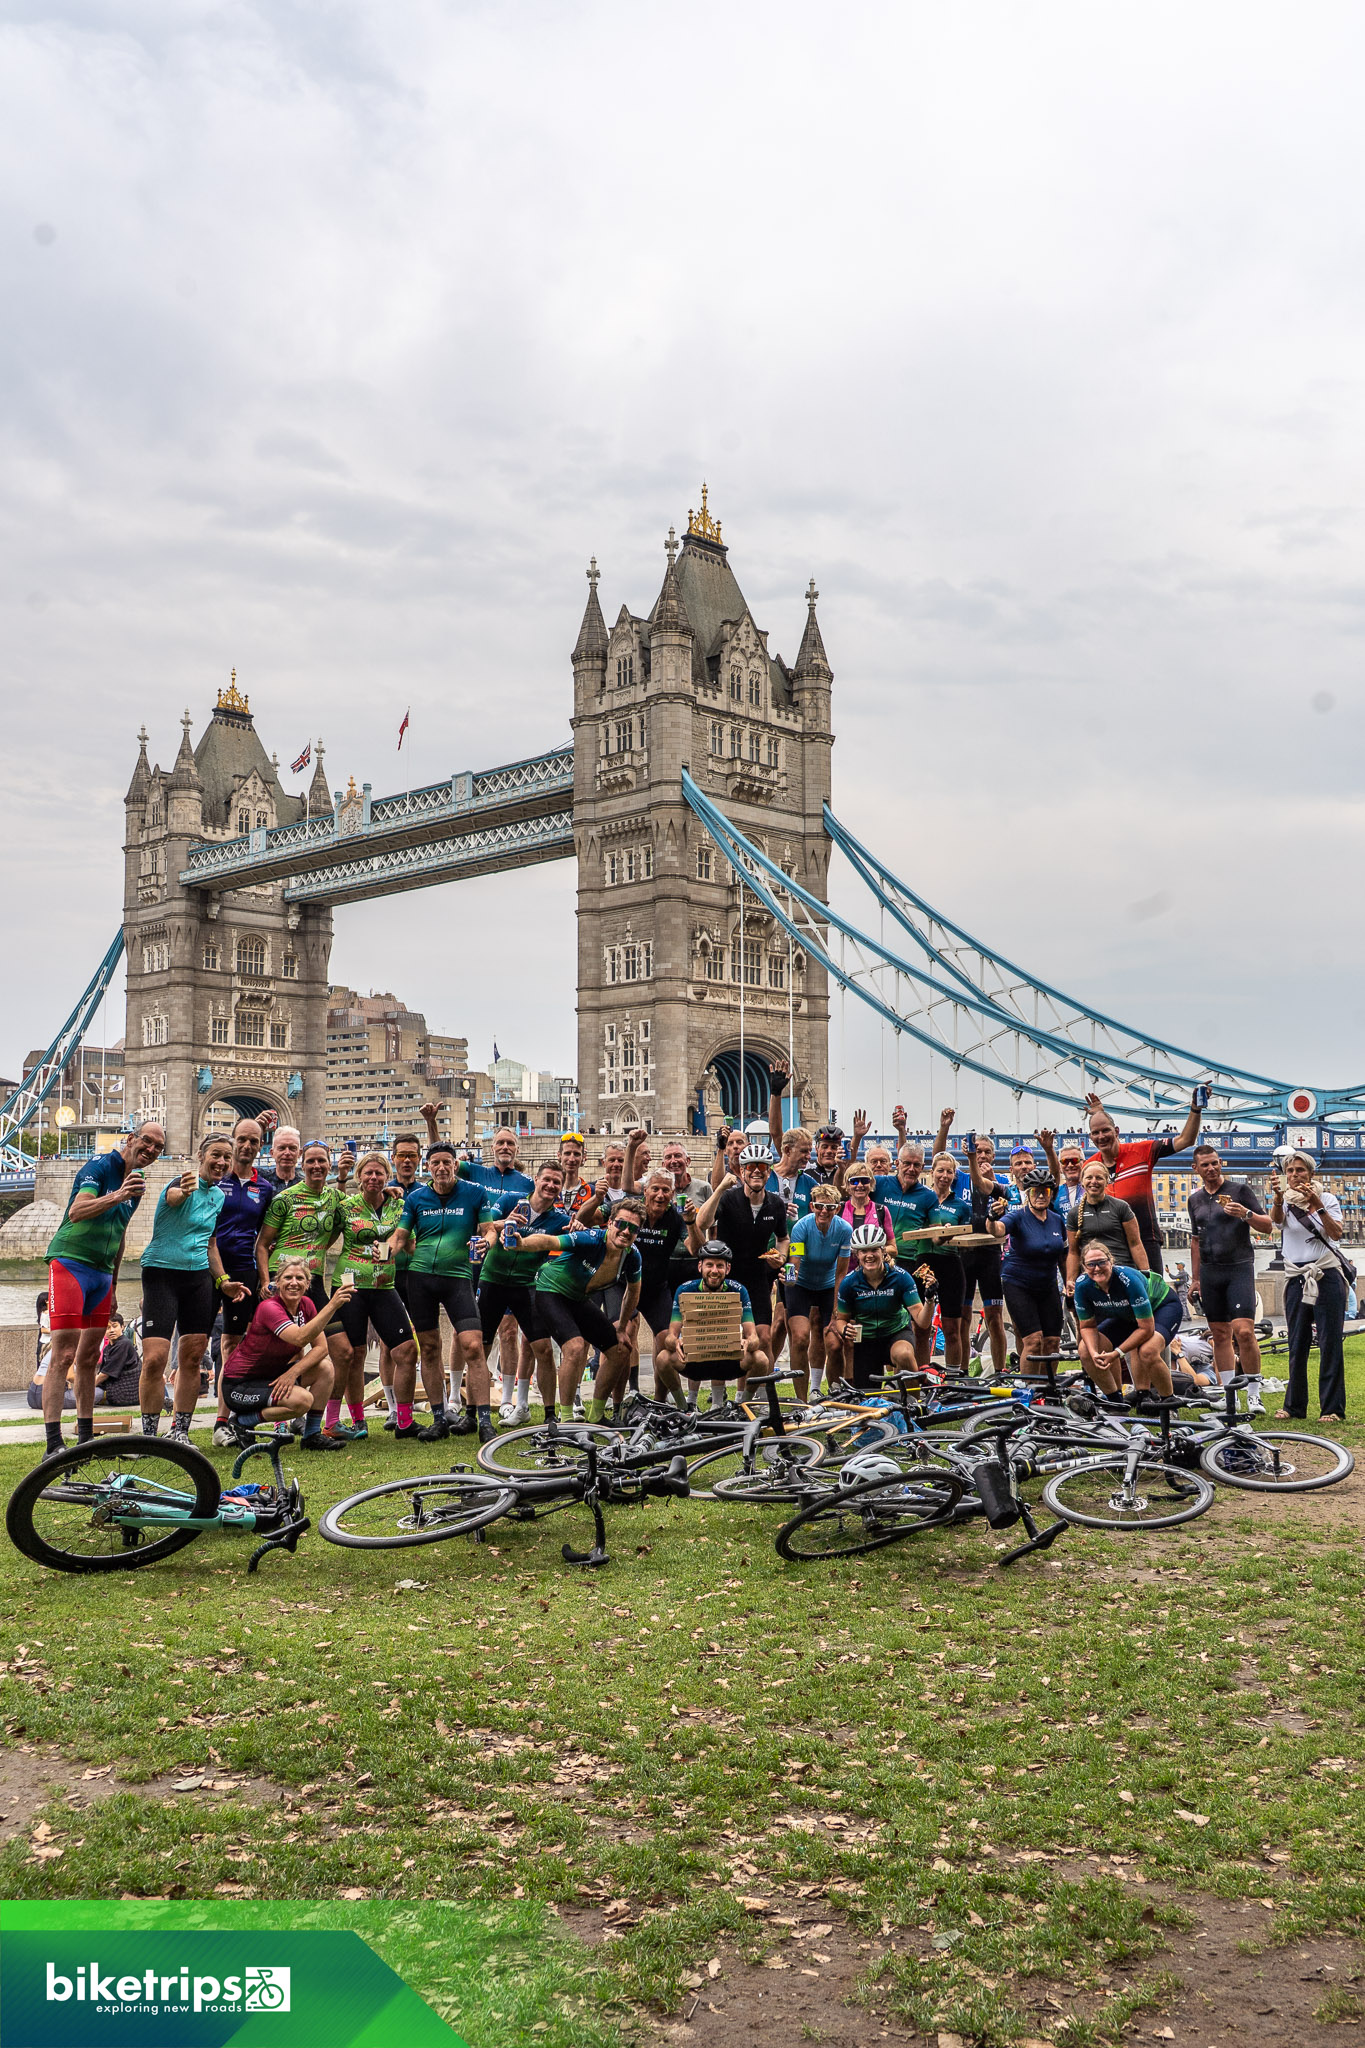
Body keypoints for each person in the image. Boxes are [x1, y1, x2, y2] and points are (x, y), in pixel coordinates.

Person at [42, 1118, 166, 1455]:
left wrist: (112, 1284)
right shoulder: (100, 1165)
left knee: (86, 1359)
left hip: (101, 1274)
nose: (151, 1150)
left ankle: (86, 1438)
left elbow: (122, 1235)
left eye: (159, 1147)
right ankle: (53, 1442)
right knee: (63, 1354)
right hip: (70, 1263)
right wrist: (118, 1194)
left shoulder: (136, 1186)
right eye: (148, 1142)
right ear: (131, 1138)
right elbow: (78, 1211)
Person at [138, 1134, 244, 1440]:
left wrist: (223, 1281)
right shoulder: (181, 1183)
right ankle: (147, 1435)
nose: (221, 1162)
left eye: (227, 1157)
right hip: (161, 1274)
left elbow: (211, 1244)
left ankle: (179, 1432)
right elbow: (173, 1197)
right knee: (156, 1358)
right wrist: (184, 1191)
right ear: (201, 1155)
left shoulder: (219, 1197)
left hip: (198, 1278)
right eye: (215, 1155)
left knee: (193, 1358)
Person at [390, 1142, 493, 1440]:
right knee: (431, 1349)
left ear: (454, 1164)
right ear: (428, 1166)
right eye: (435, 1163)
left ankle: (484, 1419)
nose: (442, 1168)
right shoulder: (417, 1197)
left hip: (458, 1278)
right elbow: (401, 1235)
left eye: (447, 1162)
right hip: (420, 1279)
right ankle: (438, 1418)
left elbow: (488, 1229)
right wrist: (386, 1251)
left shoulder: (475, 1193)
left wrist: (488, 1241)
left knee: (473, 1346)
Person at [519, 1205, 644, 1420]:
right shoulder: (591, 1239)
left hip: (577, 1299)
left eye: (633, 1228)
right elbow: (552, 1241)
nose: (626, 1231)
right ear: (611, 1223)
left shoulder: (632, 1256)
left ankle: (597, 1415)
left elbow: (633, 1292)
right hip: (550, 1291)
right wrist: (521, 1244)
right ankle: (567, 1418)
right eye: (621, 1224)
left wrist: (622, 1328)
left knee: (620, 1350)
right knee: (575, 1347)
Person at [218, 1256, 352, 1449]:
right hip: (240, 1386)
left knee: (326, 1368)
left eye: (299, 1278)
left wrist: (292, 1373)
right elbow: (299, 1338)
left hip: (271, 1379)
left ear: (307, 1284)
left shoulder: (306, 1305)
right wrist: (332, 1305)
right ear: (278, 1282)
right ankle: (242, 1422)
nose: (293, 1283)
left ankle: (312, 1435)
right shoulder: (269, 1307)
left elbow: (322, 1348)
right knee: (302, 1401)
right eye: (288, 1277)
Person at [326, 1152, 415, 1441]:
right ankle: (353, 1421)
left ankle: (404, 1420)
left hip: (384, 1286)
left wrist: (391, 1251)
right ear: (359, 1177)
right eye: (368, 1173)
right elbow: (325, 1238)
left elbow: (408, 1243)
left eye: (379, 1173)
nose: (374, 1178)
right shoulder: (347, 1206)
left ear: (387, 1176)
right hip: (350, 1285)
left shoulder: (398, 1205)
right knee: (353, 1355)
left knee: (405, 1349)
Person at [477, 1162, 571, 1422]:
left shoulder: (559, 1219)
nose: (551, 1186)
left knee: (543, 1348)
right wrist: (503, 1222)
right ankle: (475, 1412)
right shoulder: (510, 1200)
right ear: (537, 1180)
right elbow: (482, 1227)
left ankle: (550, 1413)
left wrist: (579, 1230)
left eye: (557, 1182)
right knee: (481, 1348)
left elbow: (573, 1242)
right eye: (547, 1180)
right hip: (492, 1280)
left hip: (527, 1286)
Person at [1186, 1144, 1275, 1411]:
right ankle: (1229, 1395)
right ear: (1196, 1169)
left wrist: (1245, 1214)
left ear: (1221, 1162)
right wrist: (1195, 1278)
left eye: (1215, 1163)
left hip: (1238, 1267)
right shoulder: (1194, 1200)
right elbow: (1195, 1240)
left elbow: (1268, 1226)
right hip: (1211, 1272)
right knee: (1220, 1333)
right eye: (1205, 1165)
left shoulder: (1239, 1191)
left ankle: (1254, 1394)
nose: (1211, 1168)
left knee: (1245, 1332)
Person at [1083, 1088, 1205, 1274]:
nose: (1101, 1136)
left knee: (1151, 1296)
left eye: (1106, 1130)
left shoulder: (1143, 1151)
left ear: (1116, 1131)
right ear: (1090, 1137)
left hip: (1147, 1240)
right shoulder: (1090, 1167)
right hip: (1110, 1245)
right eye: (1095, 1132)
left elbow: (1186, 1140)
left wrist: (1195, 1109)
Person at [1268, 1150, 1348, 1423]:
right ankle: (1294, 1407)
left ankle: (1332, 1408)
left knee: (1330, 1343)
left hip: (1326, 1275)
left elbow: (1336, 1232)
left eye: (1300, 1170)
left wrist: (1316, 1205)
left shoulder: (1328, 1199)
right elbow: (1275, 1223)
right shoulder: (1286, 1201)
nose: (1294, 1175)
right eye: (1290, 1171)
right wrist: (1278, 1199)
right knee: (1297, 1343)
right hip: (1296, 1277)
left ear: (1311, 1174)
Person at [695, 1147, 790, 1363]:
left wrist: (781, 1257)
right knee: (724, 1339)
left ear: (769, 1172)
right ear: (742, 1171)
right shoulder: (729, 1198)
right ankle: (719, 1396)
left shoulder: (775, 1204)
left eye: (763, 1167)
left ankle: (758, 1392)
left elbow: (783, 1238)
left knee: (763, 1338)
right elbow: (703, 1223)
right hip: (728, 1275)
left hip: (758, 1277)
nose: (757, 1172)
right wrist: (719, 1189)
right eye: (751, 1167)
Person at [664, 1238, 769, 1408]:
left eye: (720, 1266)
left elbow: (755, 1338)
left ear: (727, 1269)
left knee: (761, 1359)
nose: (714, 1271)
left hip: (729, 1360)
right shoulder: (684, 1290)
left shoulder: (739, 1290)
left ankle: (743, 1406)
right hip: (696, 1359)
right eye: (709, 1265)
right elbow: (670, 1336)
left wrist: (747, 1342)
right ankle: (684, 1408)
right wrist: (676, 1342)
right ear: (700, 1267)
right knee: (663, 1358)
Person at [831, 1224, 937, 1390]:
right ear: (856, 1254)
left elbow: (922, 1322)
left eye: (874, 1250)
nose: (869, 1255)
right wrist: (845, 1330)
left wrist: (930, 1299)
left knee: (904, 1355)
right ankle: (889, 1387)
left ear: (883, 1251)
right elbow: (841, 1320)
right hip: (866, 1340)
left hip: (896, 1333)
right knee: (868, 1400)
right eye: (863, 1251)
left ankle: (914, 1406)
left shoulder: (901, 1277)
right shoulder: (849, 1283)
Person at [1072, 1242, 1180, 1400]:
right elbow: (1087, 1326)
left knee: (1147, 1351)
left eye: (1102, 1262)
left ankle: (1169, 1400)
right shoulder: (1082, 1286)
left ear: (1111, 1261)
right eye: (1091, 1264)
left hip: (1161, 1307)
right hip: (1129, 1315)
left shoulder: (1128, 1279)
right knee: (1085, 1350)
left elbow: (1146, 1329)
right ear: (1083, 1266)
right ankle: (1116, 1402)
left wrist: (1117, 1353)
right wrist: (1095, 1353)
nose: (1097, 1268)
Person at [990, 1166, 1069, 1369]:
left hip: (1048, 1285)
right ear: (1028, 1193)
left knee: (1053, 1342)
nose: (1041, 1195)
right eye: (1035, 1191)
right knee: (1033, 1341)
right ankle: (1028, 1388)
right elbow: (997, 1230)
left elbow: (1063, 1256)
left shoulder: (1057, 1220)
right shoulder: (1018, 1216)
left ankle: (1047, 1390)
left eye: (1046, 1191)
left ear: (1051, 1194)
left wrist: (1069, 1281)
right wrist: (991, 1217)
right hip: (1019, 1284)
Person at [784, 1186, 853, 1399]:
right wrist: (789, 1279)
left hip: (828, 1285)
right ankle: (801, 1400)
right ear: (812, 1206)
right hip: (801, 1285)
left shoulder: (844, 1229)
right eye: (820, 1206)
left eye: (830, 1207)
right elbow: (794, 1263)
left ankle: (835, 1396)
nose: (824, 1211)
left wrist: (836, 1310)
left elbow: (841, 1273)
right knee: (801, 1337)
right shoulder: (801, 1227)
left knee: (833, 1342)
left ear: (837, 1208)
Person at [254, 1143, 345, 1298]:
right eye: (310, 1161)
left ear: (330, 1165)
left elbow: (363, 1204)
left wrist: (387, 1193)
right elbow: (262, 1244)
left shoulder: (336, 1198)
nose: (316, 1166)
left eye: (321, 1160)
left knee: (334, 1322)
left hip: (313, 1274)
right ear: (302, 1166)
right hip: (283, 1273)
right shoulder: (284, 1198)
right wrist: (265, 1283)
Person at [961, 1132, 1010, 1374]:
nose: (981, 1156)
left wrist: (993, 1183)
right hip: (963, 1254)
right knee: (962, 1318)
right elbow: (938, 1157)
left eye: (986, 1152)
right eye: (977, 1151)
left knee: (994, 1317)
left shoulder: (1001, 1180)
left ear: (993, 1155)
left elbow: (1006, 1208)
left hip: (990, 1253)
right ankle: (959, 1372)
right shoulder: (959, 1178)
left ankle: (1000, 1371)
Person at [918, 1152, 972, 1370]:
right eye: (940, 1170)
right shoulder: (921, 1199)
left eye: (949, 1171)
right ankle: (921, 1375)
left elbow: (966, 1237)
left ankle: (953, 1377)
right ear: (931, 1173)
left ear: (954, 1176)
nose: (944, 1175)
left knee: (952, 1328)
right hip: (923, 1264)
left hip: (951, 1264)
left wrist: (952, 1235)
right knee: (920, 1327)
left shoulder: (961, 1206)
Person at [1064, 1161, 1147, 1291]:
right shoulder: (1073, 1214)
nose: (1094, 1181)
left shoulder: (1121, 1207)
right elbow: (1073, 1252)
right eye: (1089, 1177)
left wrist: (1146, 1274)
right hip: (1092, 1274)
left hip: (1123, 1272)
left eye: (1099, 1178)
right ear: (1082, 1182)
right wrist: (1070, 1280)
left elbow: (1135, 1243)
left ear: (1107, 1182)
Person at [94, 1313, 142, 1409]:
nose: (111, 1330)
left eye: (115, 1326)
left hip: (124, 1393)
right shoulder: (108, 1348)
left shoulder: (124, 1344)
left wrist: (86, 1388)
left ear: (122, 1327)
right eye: (107, 1328)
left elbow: (105, 1374)